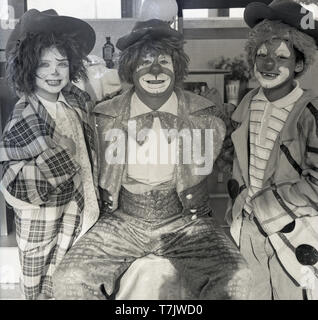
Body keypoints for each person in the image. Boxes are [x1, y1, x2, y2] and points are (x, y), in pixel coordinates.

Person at [52, 19, 252, 300]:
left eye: (163, 61)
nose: (155, 70)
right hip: (122, 220)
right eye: (144, 62)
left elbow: (236, 162)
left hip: (188, 222)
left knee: (238, 279)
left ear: (177, 67)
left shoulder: (206, 114)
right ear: (131, 69)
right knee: (69, 280)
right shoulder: (102, 116)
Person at [0, 9, 100, 300]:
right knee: (48, 291)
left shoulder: (74, 103)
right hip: (45, 227)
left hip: (83, 214)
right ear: (28, 67)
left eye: (62, 63)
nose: (54, 72)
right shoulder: (24, 116)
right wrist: (61, 156)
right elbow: (13, 186)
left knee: (79, 287)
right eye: (43, 64)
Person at [226, 0, 318, 300]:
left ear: (299, 65)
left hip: (297, 231)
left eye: (281, 57)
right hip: (247, 228)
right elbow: (235, 161)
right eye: (262, 55)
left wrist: (268, 206)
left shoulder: (310, 111)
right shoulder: (245, 106)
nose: (268, 64)